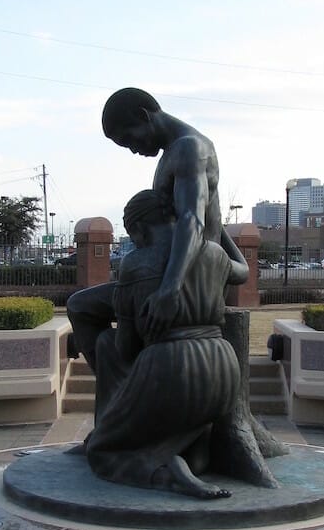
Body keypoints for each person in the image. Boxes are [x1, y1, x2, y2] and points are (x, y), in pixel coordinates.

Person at [67, 87, 246, 370]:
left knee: (79, 307)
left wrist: (170, 289)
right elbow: (203, 219)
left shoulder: (189, 148)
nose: (133, 149)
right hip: (179, 271)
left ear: (144, 115)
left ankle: (126, 387)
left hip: (182, 279)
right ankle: (130, 385)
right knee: (90, 310)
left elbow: (191, 220)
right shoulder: (175, 152)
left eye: (129, 138)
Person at [85, 189, 247, 499]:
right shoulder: (214, 253)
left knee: (101, 451)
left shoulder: (136, 263)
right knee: (195, 450)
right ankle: (184, 463)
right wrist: (220, 228)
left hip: (170, 367)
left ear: (139, 228)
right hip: (223, 370)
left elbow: (126, 348)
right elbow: (244, 271)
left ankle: (164, 474)